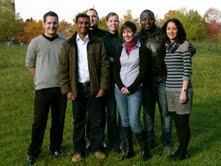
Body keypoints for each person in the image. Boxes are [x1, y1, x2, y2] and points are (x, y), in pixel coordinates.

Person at [59, 13, 110, 163]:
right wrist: (67, 90)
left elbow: (105, 66)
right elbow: (63, 69)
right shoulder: (68, 44)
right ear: (76, 24)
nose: (83, 25)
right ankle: (79, 150)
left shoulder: (97, 42)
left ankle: (97, 148)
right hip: (77, 89)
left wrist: (103, 87)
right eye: (80, 23)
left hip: (94, 87)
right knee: (78, 121)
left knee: (96, 120)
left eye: (86, 23)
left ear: (89, 24)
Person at [25, 11, 67, 165]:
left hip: (60, 89)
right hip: (42, 89)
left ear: (58, 23)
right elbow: (30, 64)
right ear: (44, 24)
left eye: (54, 22)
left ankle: (56, 147)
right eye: (49, 23)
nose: (52, 25)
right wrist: (40, 77)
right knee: (39, 122)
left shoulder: (64, 43)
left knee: (59, 121)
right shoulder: (35, 42)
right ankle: (33, 152)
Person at [113, 21, 152, 161]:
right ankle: (129, 149)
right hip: (119, 90)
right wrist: (121, 86)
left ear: (134, 33)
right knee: (124, 119)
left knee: (134, 121)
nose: (126, 34)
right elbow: (115, 70)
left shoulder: (141, 49)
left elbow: (143, 72)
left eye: (129, 31)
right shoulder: (120, 49)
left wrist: (131, 88)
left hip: (135, 89)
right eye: (124, 32)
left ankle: (144, 149)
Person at [137, 9, 173, 155]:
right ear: (140, 21)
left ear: (154, 19)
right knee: (148, 113)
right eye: (144, 19)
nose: (147, 22)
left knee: (165, 112)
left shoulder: (162, 34)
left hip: (162, 79)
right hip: (145, 82)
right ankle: (150, 140)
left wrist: (190, 48)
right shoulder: (137, 36)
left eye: (150, 18)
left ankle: (166, 142)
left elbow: (177, 43)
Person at [161, 18, 193, 161]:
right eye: (168, 28)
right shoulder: (167, 46)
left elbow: (187, 70)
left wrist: (184, 91)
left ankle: (182, 151)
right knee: (176, 120)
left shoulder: (184, 45)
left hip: (181, 90)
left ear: (178, 29)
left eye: (174, 28)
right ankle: (182, 149)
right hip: (169, 89)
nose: (171, 31)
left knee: (182, 123)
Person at [86, 8, 108, 150]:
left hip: (101, 80)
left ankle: (101, 139)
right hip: (86, 81)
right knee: (88, 114)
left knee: (101, 113)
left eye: (94, 16)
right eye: (89, 17)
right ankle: (89, 139)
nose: (92, 19)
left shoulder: (104, 36)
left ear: (98, 18)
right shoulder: (82, 35)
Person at [102, 12, 124, 152]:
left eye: (116, 21)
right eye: (111, 21)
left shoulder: (124, 38)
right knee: (111, 114)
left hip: (123, 80)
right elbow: (103, 59)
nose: (113, 23)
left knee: (122, 114)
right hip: (109, 81)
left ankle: (123, 140)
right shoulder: (103, 40)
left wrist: (113, 60)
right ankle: (113, 141)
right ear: (107, 23)